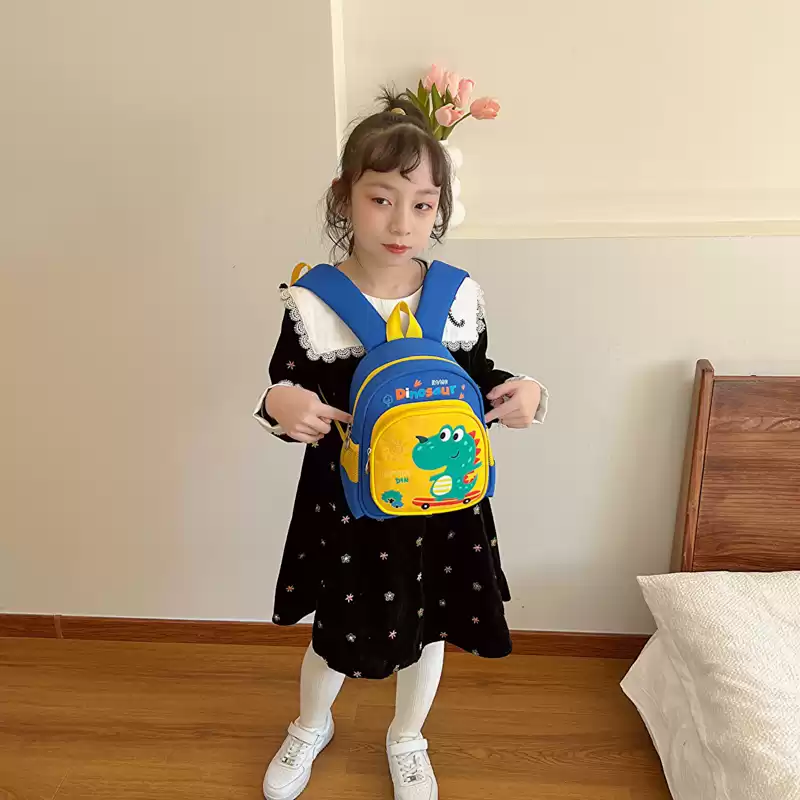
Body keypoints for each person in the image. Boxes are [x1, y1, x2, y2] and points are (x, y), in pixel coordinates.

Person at [253, 91, 548, 800]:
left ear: (440, 208)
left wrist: (526, 391)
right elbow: (283, 386)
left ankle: (408, 737)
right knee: (335, 629)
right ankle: (310, 725)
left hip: (443, 499)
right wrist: (278, 404)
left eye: (422, 204)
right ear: (344, 197)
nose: (401, 223)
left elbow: (476, 377)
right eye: (381, 199)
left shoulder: (457, 295)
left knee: (431, 626)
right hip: (349, 504)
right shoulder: (314, 300)